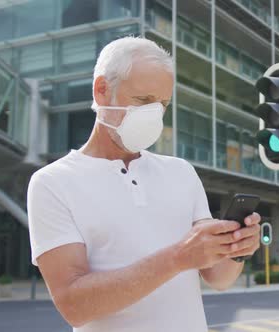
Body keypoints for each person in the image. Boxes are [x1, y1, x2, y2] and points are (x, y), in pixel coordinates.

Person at [27, 36, 261, 332]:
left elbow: (219, 278)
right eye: (143, 100)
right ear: (102, 90)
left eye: (162, 103)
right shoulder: (52, 183)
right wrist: (177, 258)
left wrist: (236, 248)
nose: (154, 114)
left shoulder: (182, 172)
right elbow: (74, 305)